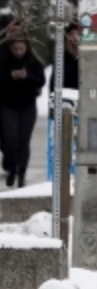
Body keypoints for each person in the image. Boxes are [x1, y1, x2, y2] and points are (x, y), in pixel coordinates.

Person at [0, 23, 45, 187]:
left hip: (27, 105)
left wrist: (28, 76)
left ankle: (22, 172)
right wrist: (11, 76)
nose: (18, 52)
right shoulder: (4, 59)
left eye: (21, 49)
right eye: (15, 49)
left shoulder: (32, 61)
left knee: (24, 140)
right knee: (11, 139)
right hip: (8, 104)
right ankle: (11, 167)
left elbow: (40, 80)